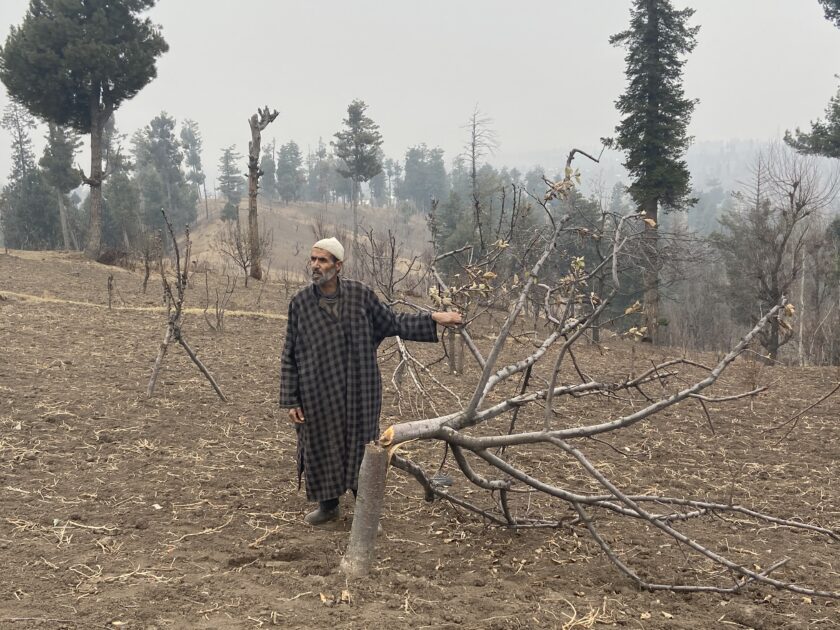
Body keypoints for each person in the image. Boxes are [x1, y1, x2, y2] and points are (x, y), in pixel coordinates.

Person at [279, 237, 462, 525]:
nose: (315, 265)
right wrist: (291, 399)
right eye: (313, 259)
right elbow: (289, 352)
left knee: (361, 447)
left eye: (323, 260)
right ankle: (328, 507)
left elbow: (394, 322)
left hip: (359, 391)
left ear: (338, 266)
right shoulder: (300, 303)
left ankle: (366, 510)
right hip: (316, 393)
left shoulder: (360, 296)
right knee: (320, 444)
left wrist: (434, 318)